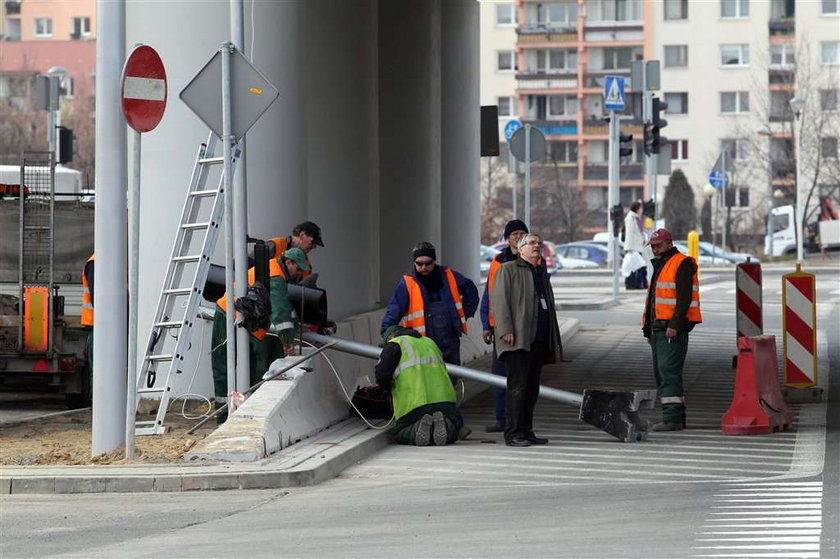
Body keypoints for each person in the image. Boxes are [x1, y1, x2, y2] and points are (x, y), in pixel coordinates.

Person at [211, 248, 309, 419]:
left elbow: (285, 310)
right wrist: (288, 342)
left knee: (247, 364)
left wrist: (295, 329)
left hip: (239, 317)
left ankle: (238, 408)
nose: (299, 274)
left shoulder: (274, 269)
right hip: (229, 314)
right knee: (224, 365)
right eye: (298, 269)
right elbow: (280, 313)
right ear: (289, 262)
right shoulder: (277, 277)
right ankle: (223, 415)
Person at [491, 233, 563, 447]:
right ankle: (513, 433)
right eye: (531, 243)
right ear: (520, 249)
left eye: (539, 243)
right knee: (517, 386)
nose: (537, 246)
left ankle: (526, 430)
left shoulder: (540, 273)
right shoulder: (509, 269)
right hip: (517, 339)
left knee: (532, 388)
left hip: (538, 340)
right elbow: (500, 302)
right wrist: (505, 330)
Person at [642, 228, 702, 432]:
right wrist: (647, 328)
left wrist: (675, 325)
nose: (655, 248)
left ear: (669, 243)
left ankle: (673, 419)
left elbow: (684, 299)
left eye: (658, 245)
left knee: (668, 373)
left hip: (669, 330)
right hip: (658, 330)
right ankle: (674, 417)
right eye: (652, 246)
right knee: (663, 374)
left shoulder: (681, 263)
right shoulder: (662, 264)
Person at [381, 241, 479, 366]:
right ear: (414, 262)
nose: (423, 267)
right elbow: (394, 309)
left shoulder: (449, 276)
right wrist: (387, 331)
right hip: (421, 343)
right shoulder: (407, 283)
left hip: (450, 340)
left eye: (428, 263)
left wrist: (460, 315)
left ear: (434, 261)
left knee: (450, 378)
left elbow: (471, 291)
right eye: (419, 264)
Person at [479, 219, 531, 433]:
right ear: (507, 237)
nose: (518, 236)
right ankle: (502, 420)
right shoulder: (498, 261)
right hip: (501, 330)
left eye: (522, 233)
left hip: (525, 328)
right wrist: (486, 325)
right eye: (514, 233)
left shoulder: (533, 260)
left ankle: (519, 421)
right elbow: (489, 295)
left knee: (523, 378)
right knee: (500, 376)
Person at [375, 325, 463, 446]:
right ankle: (445, 426)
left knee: (399, 432)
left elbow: (381, 375)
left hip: (414, 404)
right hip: (444, 401)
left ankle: (416, 430)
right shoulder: (429, 342)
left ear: (390, 336)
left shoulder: (395, 344)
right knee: (456, 426)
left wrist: (388, 389)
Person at [622, 200, 648, 290]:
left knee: (636, 266)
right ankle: (630, 284)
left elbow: (639, 232)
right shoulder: (631, 218)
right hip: (632, 247)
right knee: (634, 266)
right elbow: (629, 233)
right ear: (637, 209)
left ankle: (636, 283)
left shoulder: (637, 218)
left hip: (637, 246)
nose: (642, 210)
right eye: (640, 208)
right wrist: (630, 248)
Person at [81, 254, 95, 402]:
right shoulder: (96, 262)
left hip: (102, 324)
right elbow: (96, 296)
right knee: (98, 368)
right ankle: (98, 403)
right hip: (99, 324)